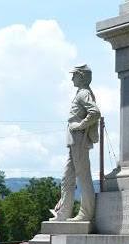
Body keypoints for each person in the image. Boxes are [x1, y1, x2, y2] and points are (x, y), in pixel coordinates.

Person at [51, 64, 100, 222]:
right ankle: (63, 213)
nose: (72, 78)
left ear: (82, 76)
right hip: (74, 139)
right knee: (67, 178)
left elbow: (95, 112)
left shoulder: (84, 93)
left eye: (75, 75)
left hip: (79, 138)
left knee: (83, 177)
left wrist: (80, 125)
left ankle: (86, 214)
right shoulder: (81, 93)